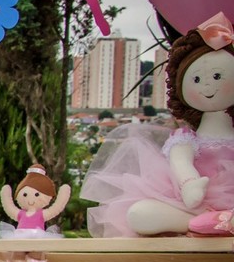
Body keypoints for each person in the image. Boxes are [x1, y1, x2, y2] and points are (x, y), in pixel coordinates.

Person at [82, 13, 234, 237]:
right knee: (139, 214)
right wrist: (189, 183)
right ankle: (207, 222)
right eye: (196, 79)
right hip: (189, 201)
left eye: (218, 76)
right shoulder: (185, 138)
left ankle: (216, 221)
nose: (207, 86)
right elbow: (180, 162)